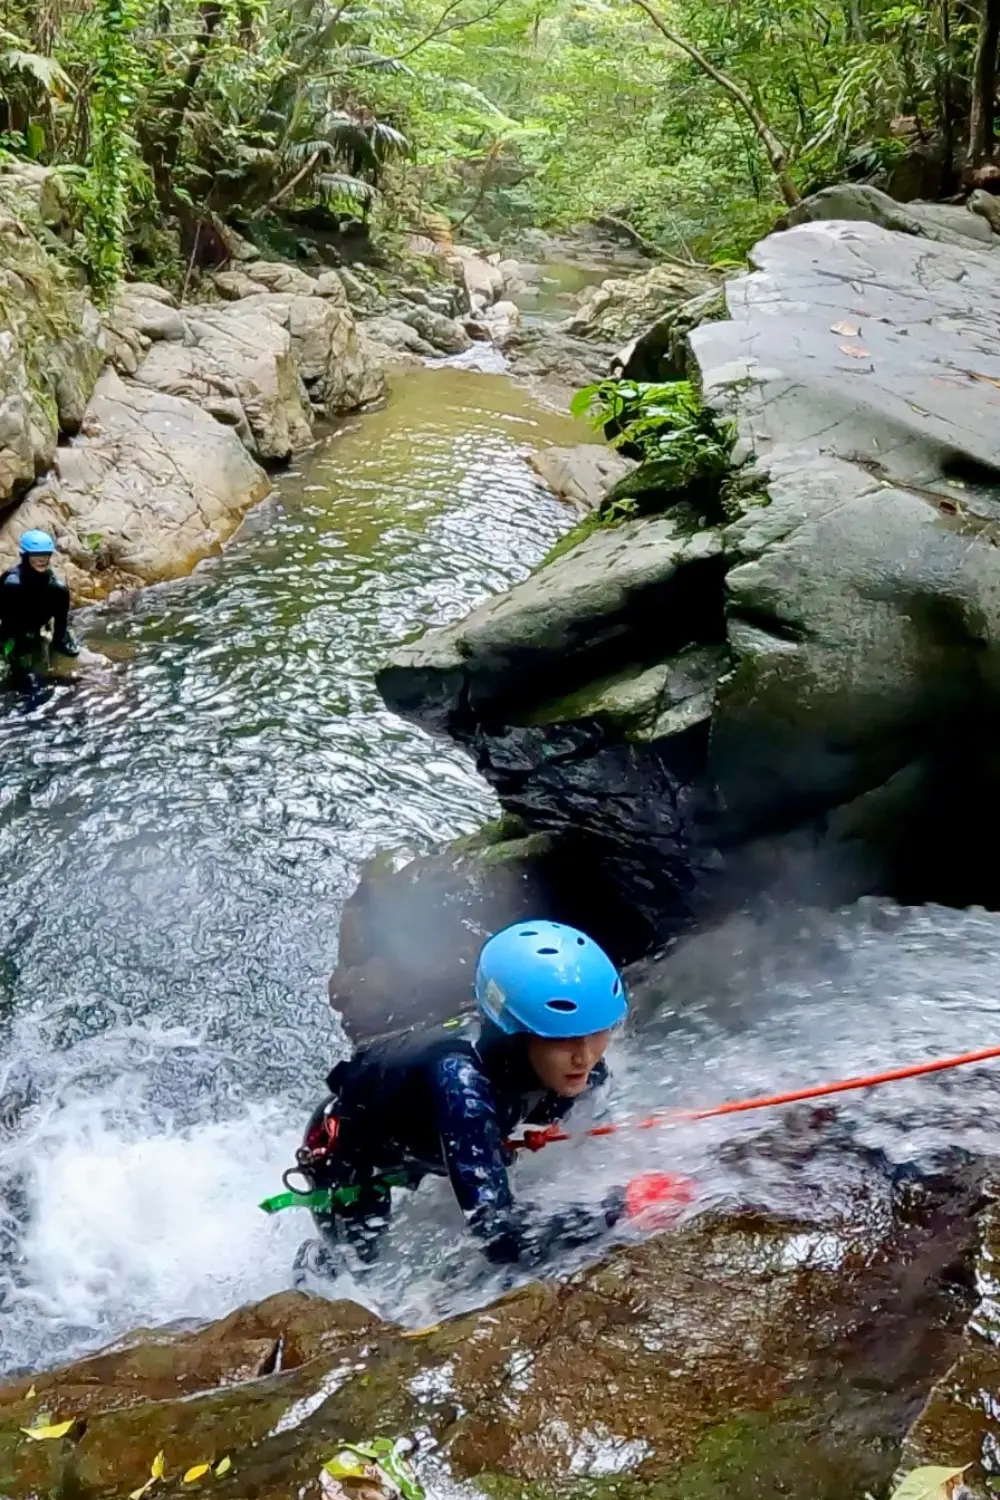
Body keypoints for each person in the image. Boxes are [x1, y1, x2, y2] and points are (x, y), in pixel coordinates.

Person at [292, 919, 680, 1280]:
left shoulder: (575, 1068)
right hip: (351, 1156)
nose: (585, 1056)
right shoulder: (460, 1083)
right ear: (516, 1033)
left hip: (429, 1133)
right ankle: (311, 1273)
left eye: (596, 1032)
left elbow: (593, 1111)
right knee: (359, 1270)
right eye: (562, 1037)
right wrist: (618, 1210)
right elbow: (499, 1238)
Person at [0, 529, 80, 692]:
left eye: (46, 555)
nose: (42, 559)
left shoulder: (57, 589)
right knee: (24, 680)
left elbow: (61, 617)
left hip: (36, 626)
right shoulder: (10, 583)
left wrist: (59, 640)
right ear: (25, 556)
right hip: (11, 631)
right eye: (36, 555)